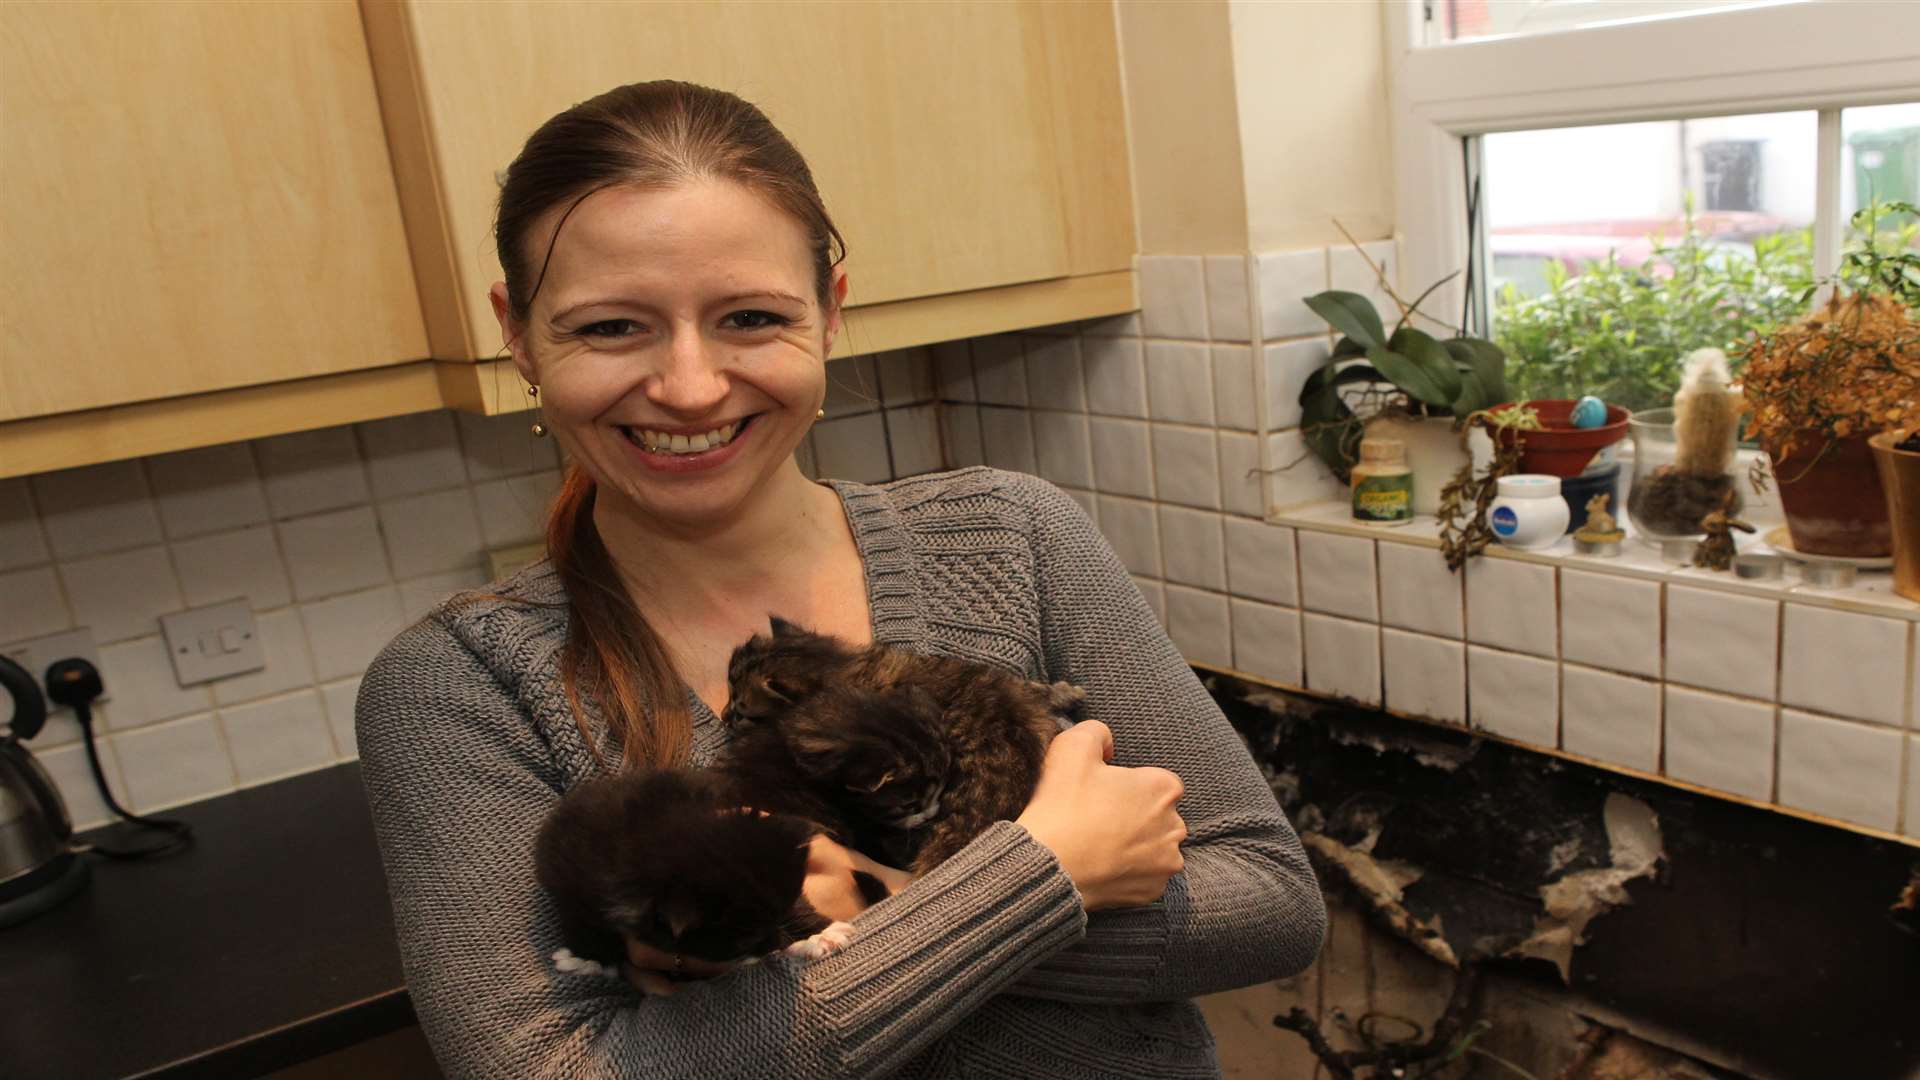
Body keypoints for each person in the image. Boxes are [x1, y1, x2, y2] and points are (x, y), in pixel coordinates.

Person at [356, 80, 1325, 1079]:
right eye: (613, 328)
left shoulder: (1011, 537)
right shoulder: (464, 684)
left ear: (829, 312)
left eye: (748, 317)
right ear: (518, 333)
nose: (690, 386)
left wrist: (862, 905)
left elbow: (1268, 903)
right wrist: (1045, 875)